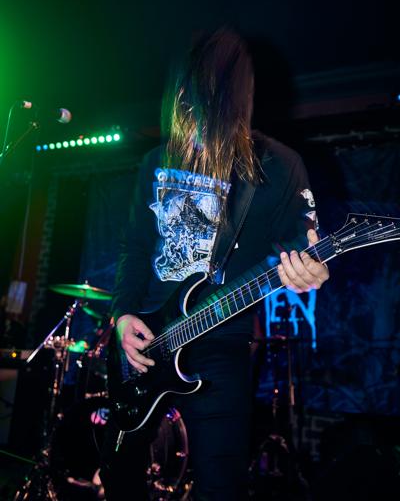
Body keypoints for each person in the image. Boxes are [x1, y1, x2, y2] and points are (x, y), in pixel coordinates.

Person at [100, 28, 329, 500]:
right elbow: (134, 249)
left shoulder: (278, 166)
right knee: (119, 478)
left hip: (220, 346)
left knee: (219, 488)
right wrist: (122, 316)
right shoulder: (156, 161)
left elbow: (307, 249)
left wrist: (313, 272)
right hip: (144, 342)